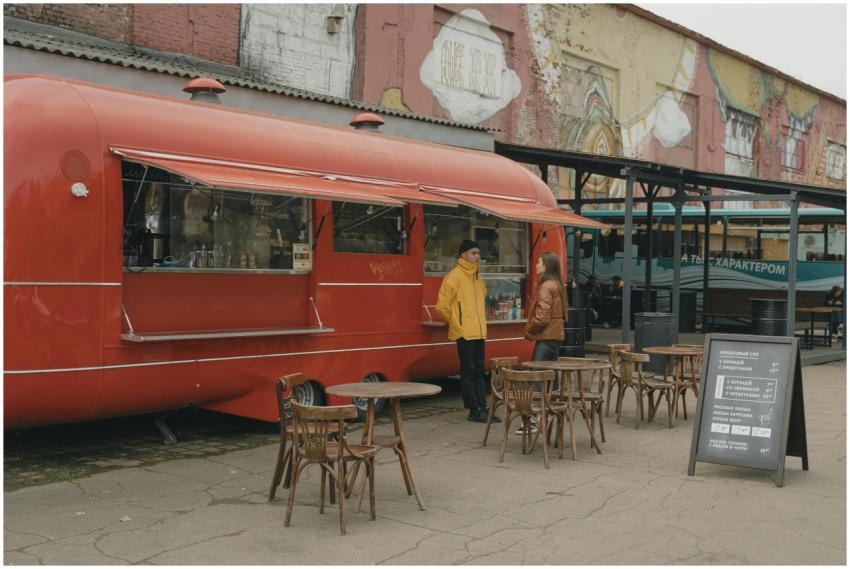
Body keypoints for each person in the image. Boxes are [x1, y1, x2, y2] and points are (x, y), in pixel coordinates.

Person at [436, 239, 500, 423]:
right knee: (468, 371)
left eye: (479, 253)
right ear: (463, 255)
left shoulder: (477, 278)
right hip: (464, 332)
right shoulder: (454, 276)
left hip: (479, 331)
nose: (478, 257)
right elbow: (442, 306)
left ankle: (483, 407)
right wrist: (457, 323)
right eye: (474, 253)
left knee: (480, 371)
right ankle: (473, 410)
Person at [525, 252, 568, 362]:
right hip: (556, 334)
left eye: (539, 262)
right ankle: (555, 380)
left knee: (536, 371)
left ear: (546, 266)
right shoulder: (557, 284)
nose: (536, 265)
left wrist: (530, 330)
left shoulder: (546, 286)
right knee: (552, 371)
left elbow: (542, 317)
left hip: (547, 336)